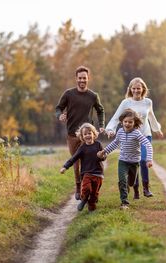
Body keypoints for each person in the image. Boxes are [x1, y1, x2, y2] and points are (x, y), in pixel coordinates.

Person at [105, 77, 163, 199]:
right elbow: (117, 117)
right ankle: (136, 188)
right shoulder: (126, 102)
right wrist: (110, 129)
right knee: (134, 161)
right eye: (134, 88)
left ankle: (146, 188)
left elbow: (151, 117)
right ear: (131, 89)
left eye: (138, 88)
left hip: (145, 134)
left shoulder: (148, 102)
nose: (136, 90)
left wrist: (157, 129)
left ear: (143, 89)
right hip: (132, 136)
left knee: (143, 160)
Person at [55, 66, 105, 200]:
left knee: (89, 162)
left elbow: (100, 110)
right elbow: (58, 108)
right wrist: (59, 115)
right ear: (76, 79)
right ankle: (79, 187)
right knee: (76, 162)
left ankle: (88, 186)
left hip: (87, 135)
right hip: (72, 134)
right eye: (80, 78)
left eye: (84, 78)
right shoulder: (68, 94)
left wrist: (101, 126)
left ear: (88, 79)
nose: (82, 80)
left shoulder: (93, 96)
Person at [97, 109, 153, 209]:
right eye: (125, 121)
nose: (127, 124)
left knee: (130, 183)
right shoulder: (120, 132)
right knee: (122, 180)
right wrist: (104, 151)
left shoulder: (137, 133)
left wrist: (149, 159)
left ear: (134, 122)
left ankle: (129, 186)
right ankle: (124, 202)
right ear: (122, 121)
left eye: (130, 122)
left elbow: (148, 145)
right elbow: (115, 143)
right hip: (122, 161)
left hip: (134, 162)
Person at [60, 123, 106, 212]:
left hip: (98, 174)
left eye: (89, 133)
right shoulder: (82, 148)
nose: (87, 135)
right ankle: (84, 199)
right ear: (82, 136)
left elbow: (104, 157)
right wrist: (65, 167)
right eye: (85, 134)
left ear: (94, 134)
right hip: (87, 173)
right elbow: (73, 158)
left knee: (94, 194)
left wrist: (102, 156)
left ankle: (91, 209)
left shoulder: (98, 145)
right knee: (86, 188)